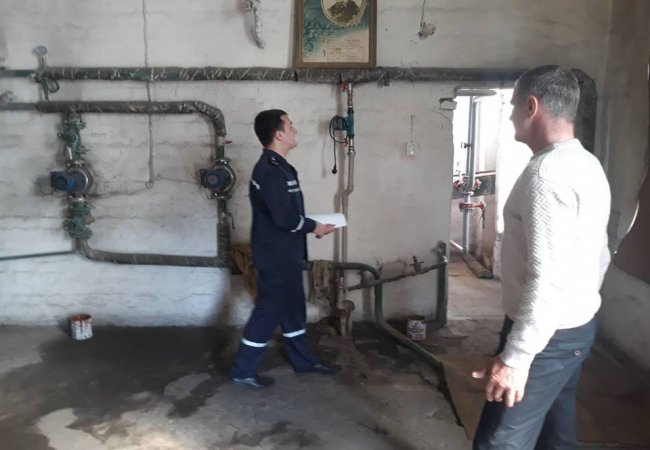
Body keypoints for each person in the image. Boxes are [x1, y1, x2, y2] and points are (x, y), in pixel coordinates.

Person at [472, 66, 611, 449]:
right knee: (556, 434)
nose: (510, 115)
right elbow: (600, 254)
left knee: (500, 441)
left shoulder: (545, 174)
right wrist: (578, 305)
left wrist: (516, 357)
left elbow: (547, 278)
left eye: (513, 106)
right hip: (573, 327)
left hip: (546, 338)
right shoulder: (586, 163)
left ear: (531, 107)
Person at [229, 109, 339, 389]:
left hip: (286, 254)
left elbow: (288, 216)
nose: (295, 130)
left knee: (293, 310)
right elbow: (284, 219)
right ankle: (242, 370)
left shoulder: (279, 167)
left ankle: (303, 361)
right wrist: (314, 227)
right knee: (268, 312)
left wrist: (311, 227)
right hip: (275, 257)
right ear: (278, 134)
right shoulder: (269, 171)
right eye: (290, 126)